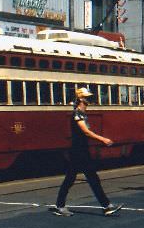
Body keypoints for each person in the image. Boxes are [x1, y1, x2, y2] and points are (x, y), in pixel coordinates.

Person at [51, 87, 123, 217]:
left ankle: (106, 206)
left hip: (82, 150)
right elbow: (85, 131)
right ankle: (105, 206)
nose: (89, 100)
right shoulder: (77, 113)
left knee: (85, 178)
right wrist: (103, 139)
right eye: (87, 98)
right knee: (76, 179)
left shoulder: (82, 114)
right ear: (80, 99)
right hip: (78, 151)